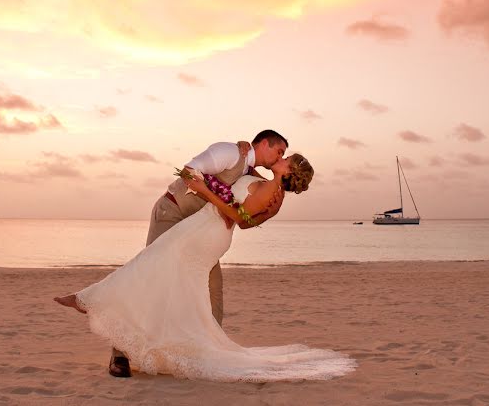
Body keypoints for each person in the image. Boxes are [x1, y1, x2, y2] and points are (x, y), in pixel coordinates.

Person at [55, 153, 356, 382]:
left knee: (152, 262)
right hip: (207, 229)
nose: (282, 157)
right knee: (171, 278)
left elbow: (237, 217)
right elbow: (247, 222)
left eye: (287, 158)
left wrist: (204, 189)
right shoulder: (272, 193)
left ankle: (89, 300)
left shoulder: (269, 191)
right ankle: (104, 308)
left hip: (207, 232)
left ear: (289, 170)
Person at [108, 130, 290, 377]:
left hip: (200, 231)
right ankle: (119, 354)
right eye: (279, 151)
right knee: (153, 280)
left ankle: (211, 353)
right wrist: (213, 195)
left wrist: (268, 208)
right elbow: (188, 172)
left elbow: (245, 218)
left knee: (212, 289)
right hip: (172, 214)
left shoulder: (252, 173)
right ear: (265, 143)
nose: (280, 157)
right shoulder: (230, 152)